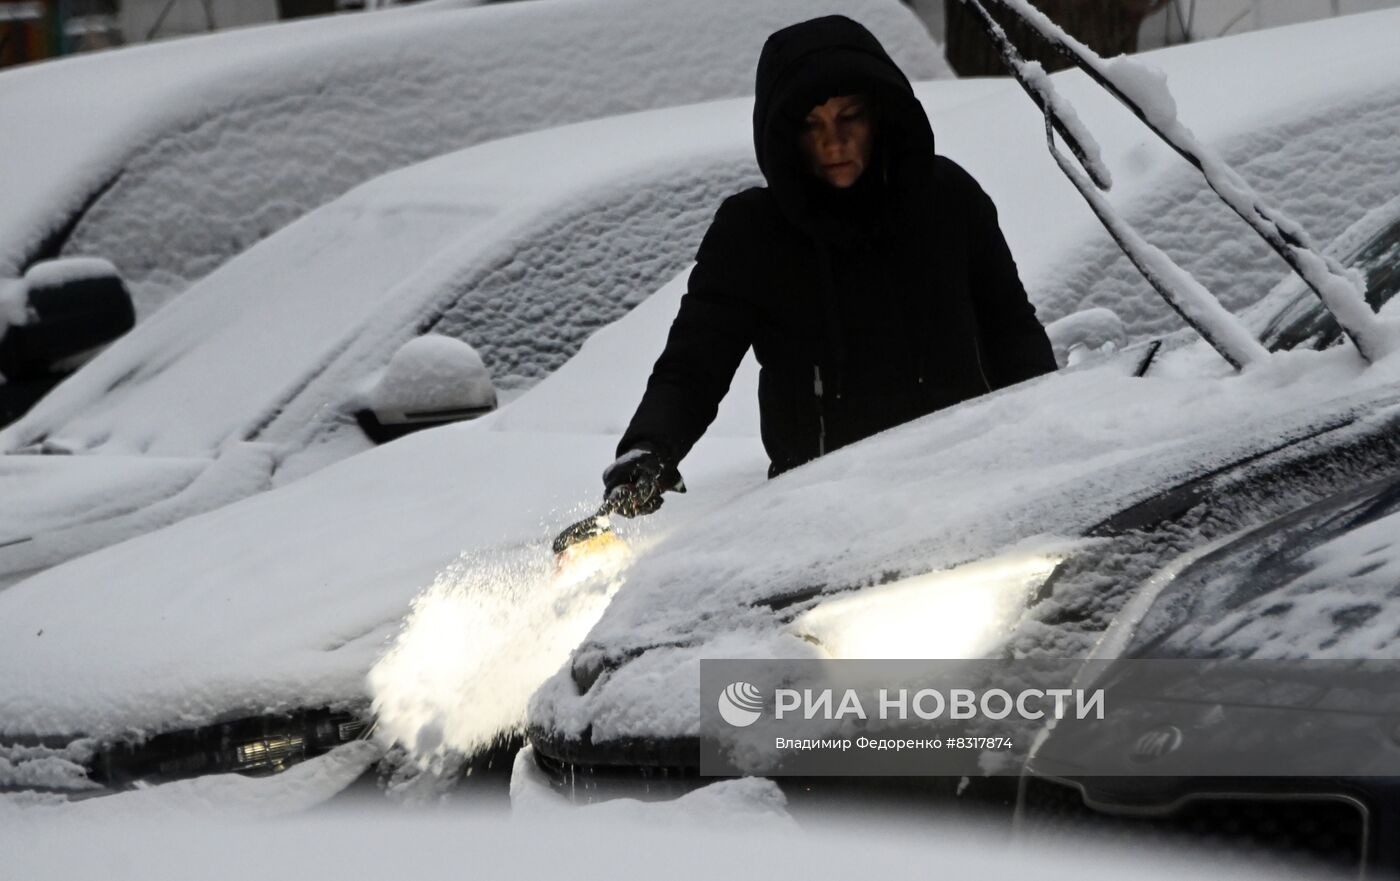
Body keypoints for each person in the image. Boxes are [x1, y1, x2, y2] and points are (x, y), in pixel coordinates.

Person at [602, 14, 1056, 517]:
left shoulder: (947, 200)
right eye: (811, 125)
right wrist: (650, 450)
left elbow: (1013, 334)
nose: (833, 143)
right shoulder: (753, 234)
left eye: (850, 118)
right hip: (826, 521)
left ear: (881, 117)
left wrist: (1047, 435)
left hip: (977, 495)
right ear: (784, 136)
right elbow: (693, 366)